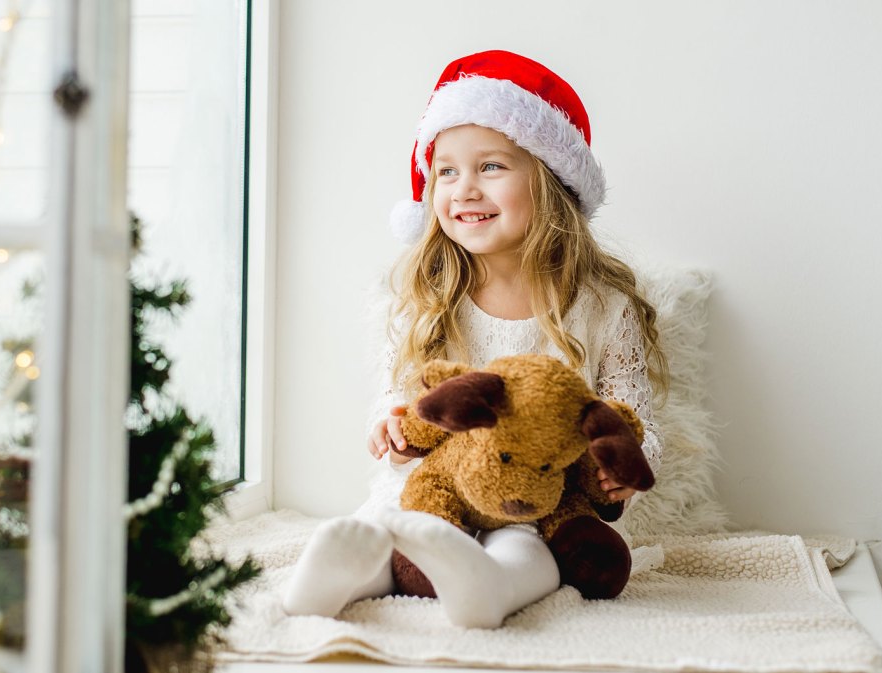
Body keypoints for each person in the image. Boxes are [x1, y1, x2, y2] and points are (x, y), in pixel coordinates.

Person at [281, 50, 667, 629]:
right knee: (394, 535)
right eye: (446, 171)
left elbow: (635, 418)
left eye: (491, 167)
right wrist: (392, 426)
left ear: (552, 180)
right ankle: (339, 572)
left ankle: (487, 587)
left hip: (538, 500)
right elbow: (399, 397)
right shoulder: (426, 297)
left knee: (529, 553)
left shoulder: (601, 307)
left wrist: (618, 467)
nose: (464, 189)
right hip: (436, 490)